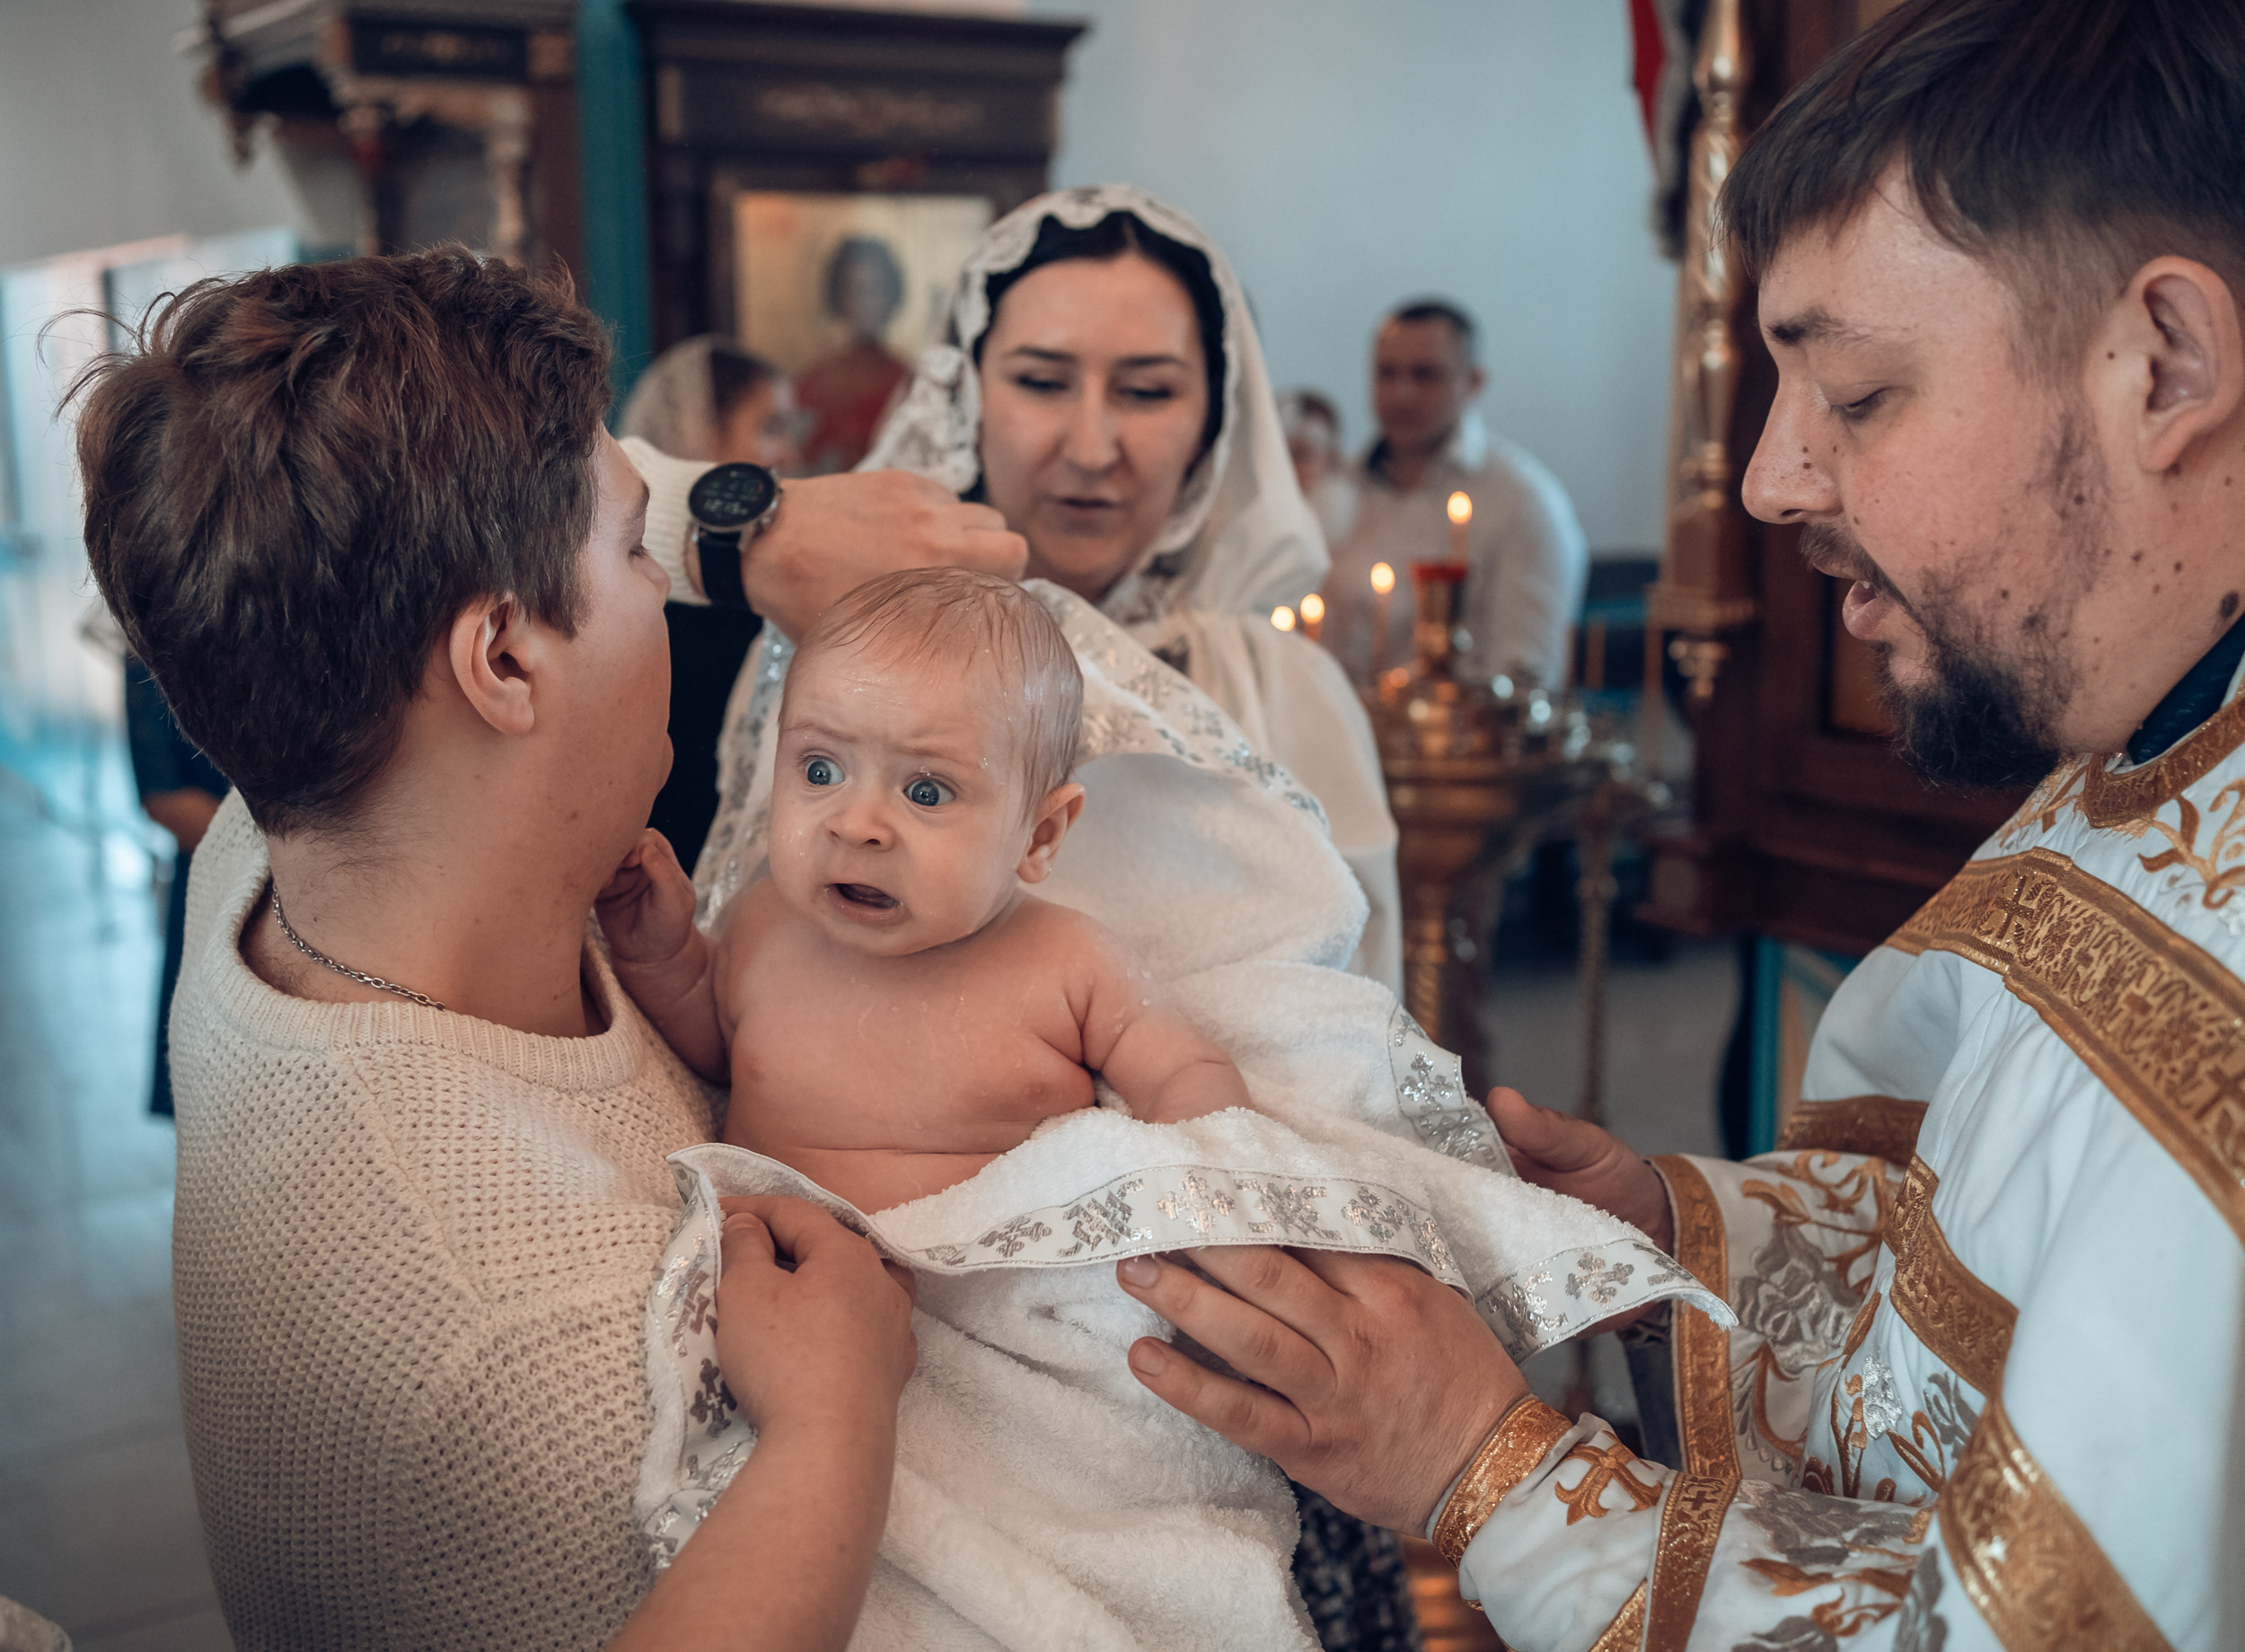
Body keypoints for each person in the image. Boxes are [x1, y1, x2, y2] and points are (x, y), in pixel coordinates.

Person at [1114, 1, 2245, 1648]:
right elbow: (1984, 1266)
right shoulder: (2148, 756)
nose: (1773, 483)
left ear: (2165, 367)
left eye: (1855, 396)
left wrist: (1483, 1467)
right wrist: (1664, 1237)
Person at [75, 251, 920, 1650]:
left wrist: (735, 526)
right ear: (504, 664)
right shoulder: (531, 1345)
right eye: (638, 549)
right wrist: (833, 1428)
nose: (675, 589)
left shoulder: (270, 836)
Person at [656, 184, 1403, 997]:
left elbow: (1351, 1027)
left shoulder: (1287, 692)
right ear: (969, 401)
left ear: (1212, 426)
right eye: (1042, 382)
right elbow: (749, 985)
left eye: (1147, 391)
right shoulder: (845, 652)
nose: (1090, 448)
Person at [601, 567, 1253, 1214]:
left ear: (1038, 837)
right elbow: (714, 1052)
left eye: (926, 791)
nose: (856, 826)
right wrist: (660, 955)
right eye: (821, 769)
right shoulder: (764, 925)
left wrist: (1197, 1194)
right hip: (778, 1261)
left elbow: (1185, 1074)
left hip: (990, 1285)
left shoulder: (1070, 964)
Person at [1324, 300, 1587, 691]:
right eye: (1386, 373)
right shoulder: (1337, 485)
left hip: (1453, 744)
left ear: (1473, 382)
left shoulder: (1523, 501)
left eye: (1425, 375)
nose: (1402, 394)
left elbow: (1525, 675)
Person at [619, 336, 805, 870]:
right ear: (699, 433)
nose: (789, 455)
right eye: (770, 428)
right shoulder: (648, 603)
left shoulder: (762, 595)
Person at [122, 654, 227, 1117]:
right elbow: (163, 797)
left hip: (326, 871)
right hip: (216, 873)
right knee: (212, 1085)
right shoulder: (151, 646)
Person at [795, 235, 914, 473]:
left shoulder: (908, 381)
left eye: (874, 290)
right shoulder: (814, 380)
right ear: (837, 296)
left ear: (891, 295)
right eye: (854, 290)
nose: (864, 303)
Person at [1279, 386, 1359, 549]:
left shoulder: (1355, 522)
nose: (1288, 467)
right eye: (1279, 454)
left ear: (1331, 461)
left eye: (1301, 455)